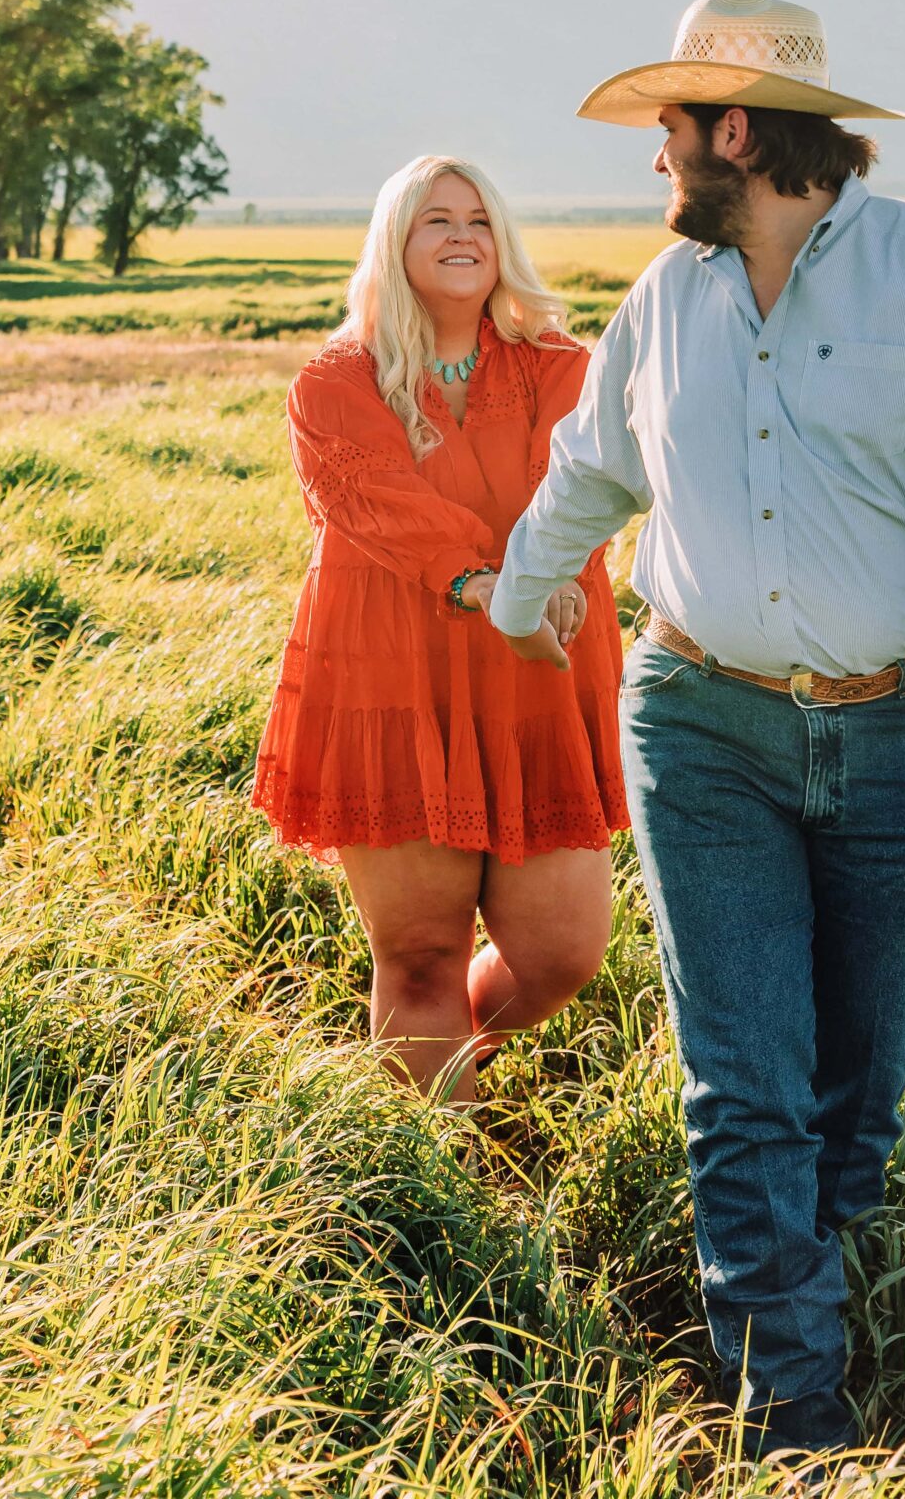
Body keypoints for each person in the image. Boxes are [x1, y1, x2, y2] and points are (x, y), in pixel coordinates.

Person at [488, 0, 905, 1459]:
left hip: (897, 735)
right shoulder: (662, 300)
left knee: (855, 1089)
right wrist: (516, 598)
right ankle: (797, 1424)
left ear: (737, 132)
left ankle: (807, 1283)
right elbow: (589, 470)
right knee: (745, 1085)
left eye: (668, 133)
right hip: (699, 724)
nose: (656, 165)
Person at [251, 156, 627, 1098]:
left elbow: (573, 495)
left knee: (560, 956)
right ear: (394, 242)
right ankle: (440, 1198)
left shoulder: (562, 367)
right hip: (393, 680)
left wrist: (541, 586)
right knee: (418, 957)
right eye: (434, 220)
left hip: (537, 678)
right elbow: (384, 513)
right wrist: (500, 588)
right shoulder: (335, 382)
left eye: (478, 220)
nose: (462, 235)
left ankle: (451, 1040)